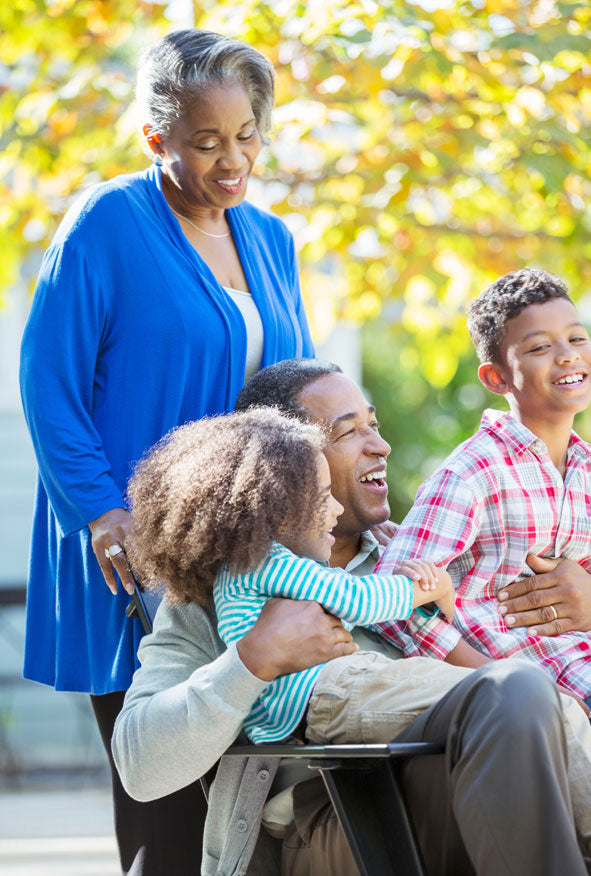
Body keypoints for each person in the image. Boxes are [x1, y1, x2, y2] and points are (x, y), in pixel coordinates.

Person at [19, 28, 313, 875]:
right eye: (206, 141)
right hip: (140, 554)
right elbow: (49, 385)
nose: (234, 160)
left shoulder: (270, 237)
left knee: (260, 803)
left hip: (254, 558)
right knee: (169, 812)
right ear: (157, 138)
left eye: (248, 135)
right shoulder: (108, 221)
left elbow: (292, 387)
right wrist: (105, 514)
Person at [113, 359, 591, 875]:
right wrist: (253, 660)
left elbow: (548, 665)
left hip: (475, 785)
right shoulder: (213, 598)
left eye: (374, 425)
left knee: (520, 696)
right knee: (512, 693)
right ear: (285, 466)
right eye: (347, 431)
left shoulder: (423, 556)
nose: (380, 446)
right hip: (339, 826)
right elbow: (140, 765)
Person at [125, 407, 456, 744]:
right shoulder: (267, 562)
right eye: (324, 496)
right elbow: (359, 601)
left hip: (326, 700)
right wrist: (428, 587)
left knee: (493, 692)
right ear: (277, 507)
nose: (337, 509)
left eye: (373, 423)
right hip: (333, 690)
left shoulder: (255, 570)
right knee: (491, 694)